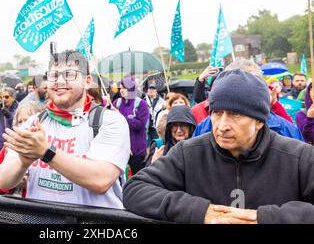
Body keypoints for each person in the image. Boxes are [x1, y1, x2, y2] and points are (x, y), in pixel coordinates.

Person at [123, 69, 314, 224]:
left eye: (235, 115)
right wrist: (199, 210)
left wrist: (268, 218)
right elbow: (135, 189)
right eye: (217, 113)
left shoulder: (299, 157)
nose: (222, 126)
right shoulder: (188, 153)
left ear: (260, 121)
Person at [0, 50, 130, 209]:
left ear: (87, 81)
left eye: (69, 74)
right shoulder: (34, 122)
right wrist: (23, 162)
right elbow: (3, 181)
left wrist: (46, 152)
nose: (59, 81)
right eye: (53, 76)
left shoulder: (109, 121)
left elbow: (100, 180)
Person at [0, 101, 44, 195]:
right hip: (12, 207)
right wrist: (11, 181)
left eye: (29, 120)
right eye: (20, 122)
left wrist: (29, 184)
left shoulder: (47, 148)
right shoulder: (11, 146)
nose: (25, 125)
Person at [113, 76, 149, 175]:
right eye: (120, 88)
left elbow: (140, 125)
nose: (121, 90)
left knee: (137, 180)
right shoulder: (116, 103)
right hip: (120, 150)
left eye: (124, 88)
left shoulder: (142, 104)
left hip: (136, 151)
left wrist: (121, 116)